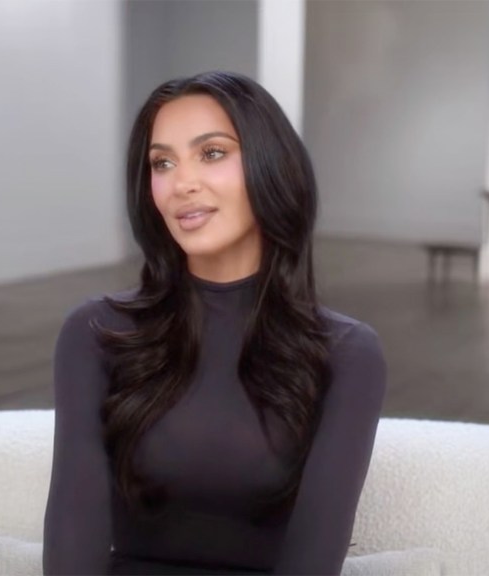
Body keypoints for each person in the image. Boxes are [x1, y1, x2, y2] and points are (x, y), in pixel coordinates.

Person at [43, 71, 387, 576]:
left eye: (212, 153)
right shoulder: (95, 333)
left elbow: (313, 560)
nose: (182, 184)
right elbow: (73, 549)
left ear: (271, 166)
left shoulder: (347, 353)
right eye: (162, 162)